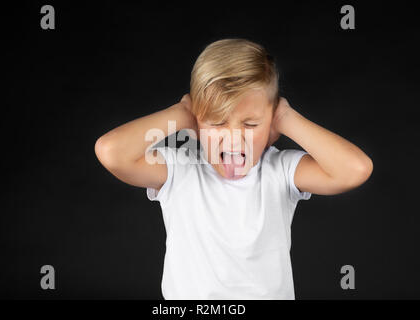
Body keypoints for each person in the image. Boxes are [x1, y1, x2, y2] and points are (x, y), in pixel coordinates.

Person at [94, 38, 373, 299]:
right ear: (197, 123)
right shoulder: (180, 168)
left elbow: (355, 169)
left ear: (271, 124)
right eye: (216, 123)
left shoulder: (280, 170)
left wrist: (287, 118)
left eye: (250, 124)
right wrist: (180, 114)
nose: (233, 137)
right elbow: (112, 152)